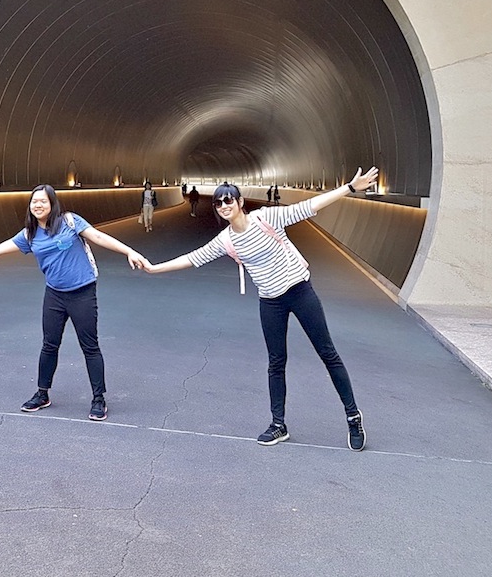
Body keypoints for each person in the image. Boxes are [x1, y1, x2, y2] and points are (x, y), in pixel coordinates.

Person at [143, 168, 379, 451]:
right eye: (219, 203)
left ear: (240, 202)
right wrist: (155, 269)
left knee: (327, 353)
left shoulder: (266, 217)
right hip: (270, 301)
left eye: (229, 200)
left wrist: (350, 188)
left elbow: (308, 207)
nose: (224, 206)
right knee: (276, 362)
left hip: (300, 292)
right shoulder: (227, 240)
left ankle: (353, 416)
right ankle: (278, 424)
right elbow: (195, 258)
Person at [0, 185, 146, 421]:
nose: (37, 205)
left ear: (52, 203)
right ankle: (42, 393)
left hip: (82, 293)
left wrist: (128, 251)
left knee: (90, 346)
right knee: (49, 345)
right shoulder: (29, 234)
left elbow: (97, 236)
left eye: (43, 201)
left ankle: (99, 398)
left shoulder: (70, 222)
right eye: (34, 201)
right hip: (54, 295)